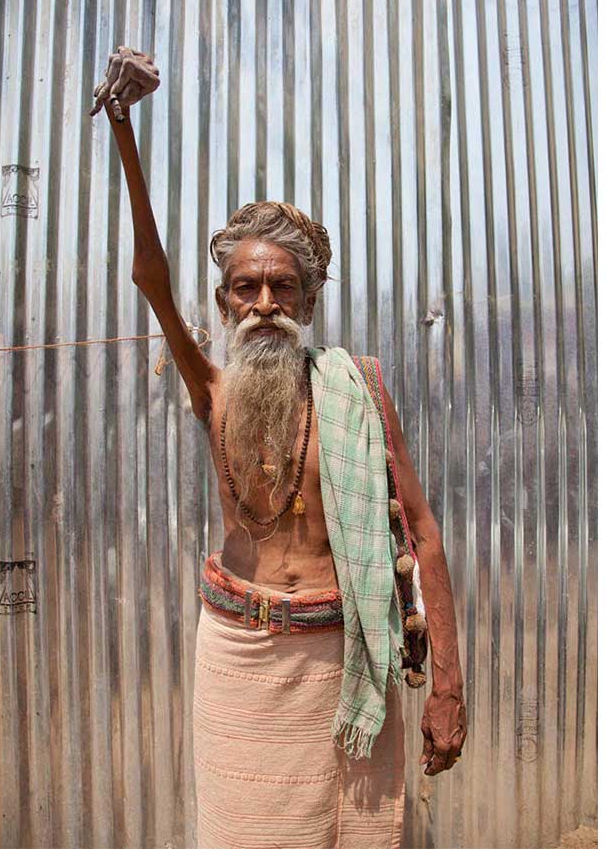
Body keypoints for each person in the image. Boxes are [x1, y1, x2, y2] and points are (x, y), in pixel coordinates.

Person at [91, 45, 466, 849]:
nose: (264, 302)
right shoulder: (214, 393)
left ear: (309, 297)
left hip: (342, 662)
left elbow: (423, 533)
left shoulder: (357, 388)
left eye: (282, 286)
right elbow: (150, 278)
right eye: (245, 288)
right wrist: (123, 126)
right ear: (225, 305)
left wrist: (449, 687)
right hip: (238, 658)